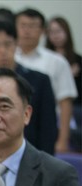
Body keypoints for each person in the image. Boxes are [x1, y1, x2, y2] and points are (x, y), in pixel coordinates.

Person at [0, 21, 57, 155]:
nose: (2, 51)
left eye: (8, 44)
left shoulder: (39, 80)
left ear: (16, 45)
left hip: (31, 156)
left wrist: (45, 162)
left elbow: (48, 128)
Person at [16, 8, 77, 153]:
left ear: (43, 31)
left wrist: (62, 140)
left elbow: (65, 102)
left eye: (32, 26)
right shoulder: (9, 60)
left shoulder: (57, 61)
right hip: (14, 129)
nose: (27, 31)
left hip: (46, 128)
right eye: (23, 25)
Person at [46, 16, 82, 150]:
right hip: (49, 107)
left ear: (67, 32)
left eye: (59, 31)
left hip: (71, 108)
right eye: (52, 32)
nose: (56, 36)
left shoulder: (78, 60)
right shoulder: (44, 58)